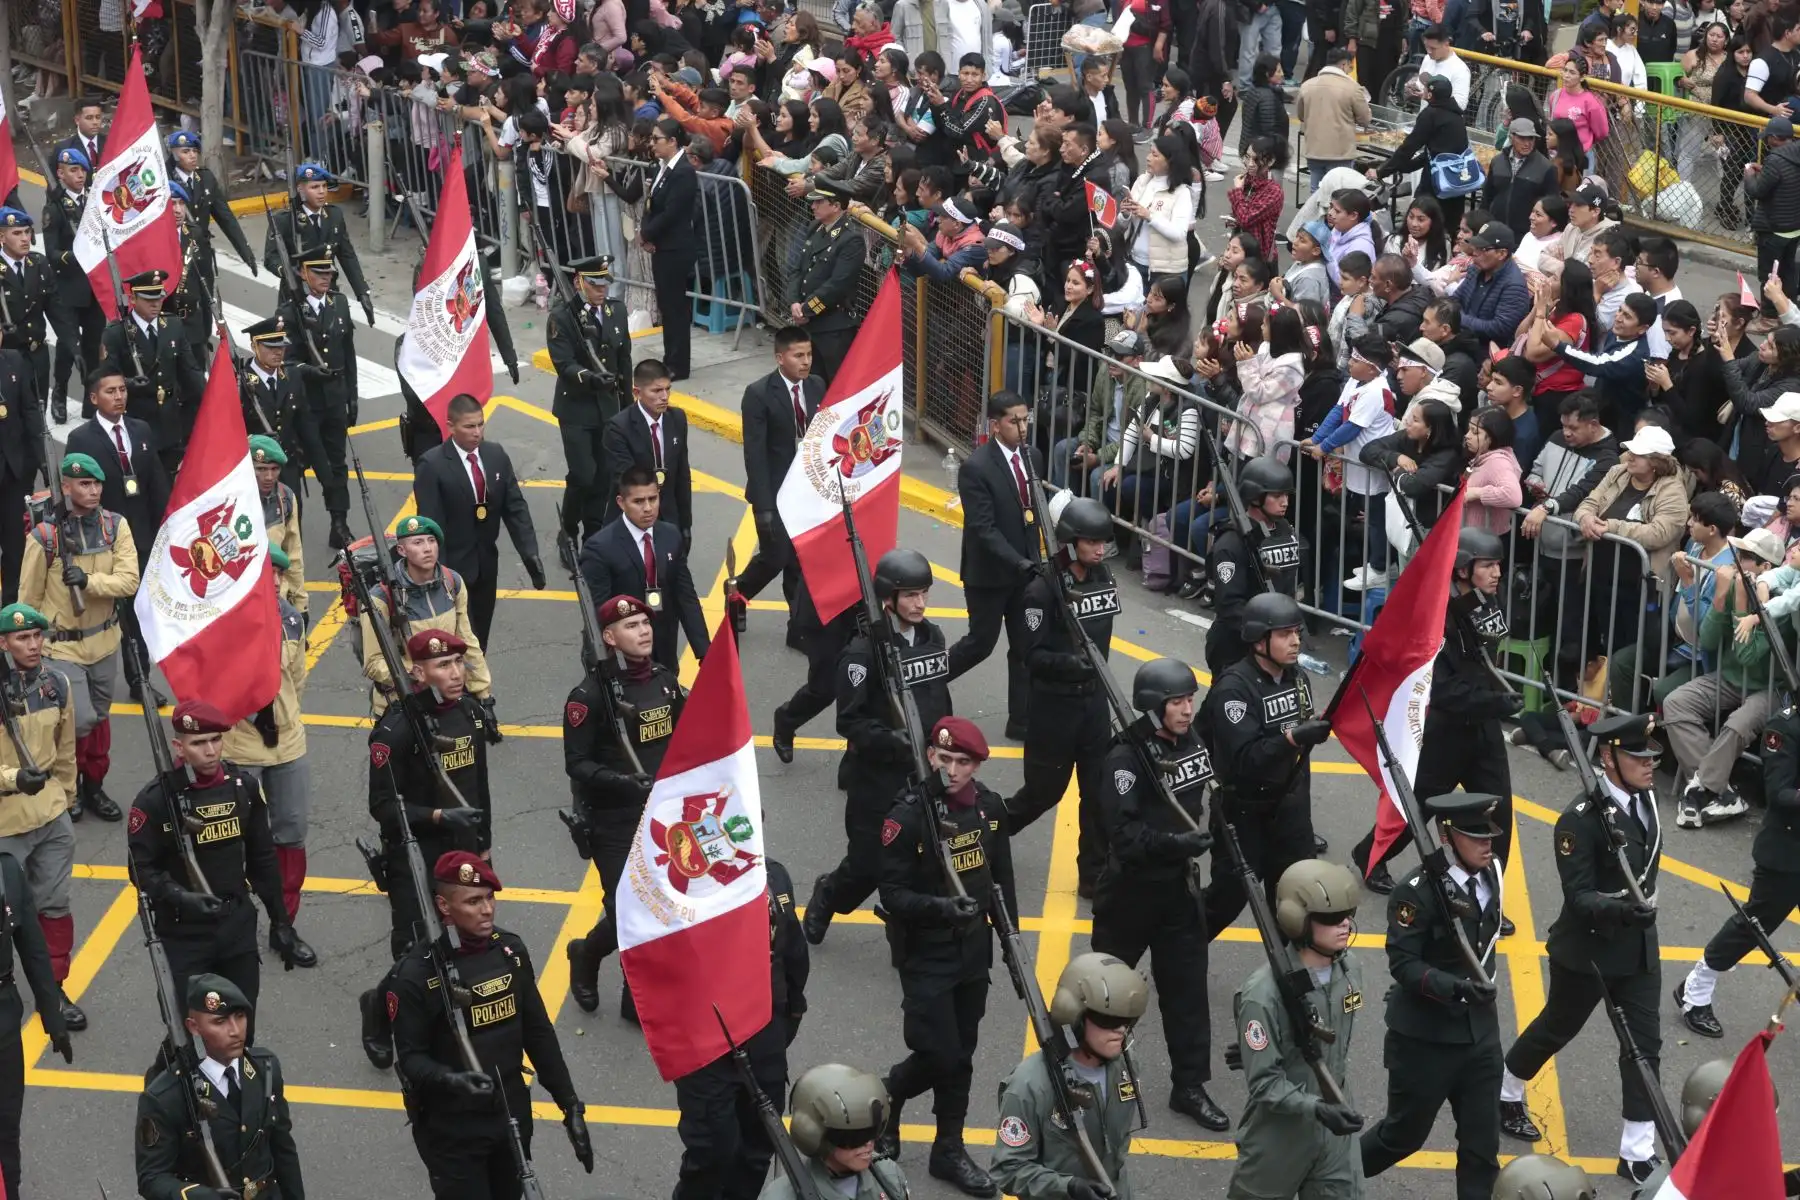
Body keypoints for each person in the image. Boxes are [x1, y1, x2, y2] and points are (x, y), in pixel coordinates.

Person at [1501, 714, 1667, 1186]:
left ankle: (1636, 1151)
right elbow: (1578, 896)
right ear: (1607, 758)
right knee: (1557, 1028)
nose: (1650, 764)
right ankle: (1507, 1088)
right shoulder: (1578, 821)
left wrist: (1634, 918)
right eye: (1638, 757)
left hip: (1638, 949)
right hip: (1589, 950)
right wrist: (1620, 911)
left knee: (1644, 1047)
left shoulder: (1647, 799)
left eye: (1651, 756)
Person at [388, 851, 592, 1198]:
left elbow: (538, 1031)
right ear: (444, 906)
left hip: (510, 1112)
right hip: (452, 1127)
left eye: (489, 898)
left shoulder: (509, 951)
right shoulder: (415, 976)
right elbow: (410, 1058)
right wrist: (450, 1079)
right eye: (473, 901)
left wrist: (569, 1103)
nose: (487, 909)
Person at [874, 715, 1013, 1196]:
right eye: (945, 758)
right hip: (926, 952)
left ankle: (948, 1148)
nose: (952, 770)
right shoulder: (909, 814)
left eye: (963, 762)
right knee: (941, 1053)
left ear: (976, 765)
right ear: (930, 755)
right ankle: (891, 1092)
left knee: (963, 1054)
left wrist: (1010, 938)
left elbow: (1001, 879)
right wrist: (939, 908)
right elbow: (891, 892)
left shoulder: (990, 810)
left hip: (974, 951)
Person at [1094, 658, 1228, 1131]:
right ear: (1154, 707)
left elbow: (1207, 795)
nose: (1188, 709)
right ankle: (1086, 1077)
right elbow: (1124, 836)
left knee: (1187, 993)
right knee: (1105, 994)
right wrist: (1174, 844)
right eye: (1177, 702)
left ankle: (1189, 1085)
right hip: (1130, 894)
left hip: (1177, 891)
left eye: (1191, 699)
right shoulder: (1125, 760)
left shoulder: (1190, 742)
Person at [1360, 792, 1506, 1200]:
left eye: (1488, 834)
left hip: (1480, 1037)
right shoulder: (1415, 892)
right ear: (1446, 835)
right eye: (1474, 835)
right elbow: (1403, 964)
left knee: (1482, 1150)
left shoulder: (1492, 870)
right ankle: (1328, 1181)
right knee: (1401, 1137)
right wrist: (1454, 988)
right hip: (1426, 1039)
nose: (1486, 843)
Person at [803, 548, 951, 944]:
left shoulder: (931, 636)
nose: (920, 603)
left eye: (924, 593)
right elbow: (848, 721)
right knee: (868, 862)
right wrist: (895, 740)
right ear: (889, 598)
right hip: (876, 777)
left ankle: (902, 921)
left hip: (924, 770)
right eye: (910, 596)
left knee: (923, 851)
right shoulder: (862, 653)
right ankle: (828, 894)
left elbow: (938, 695)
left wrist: (943, 744)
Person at [128, 699, 314, 1015]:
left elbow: (263, 859)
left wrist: (281, 920)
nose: (211, 750)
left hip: (235, 924)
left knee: (241, 1023)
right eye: (198, 743)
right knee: (186, 1024)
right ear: (179, 747)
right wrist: (181, 897)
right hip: (184, 932)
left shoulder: (243, 787)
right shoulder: (155, 801)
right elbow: (141, 870)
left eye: (216, 740)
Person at [562, 595, 685, 1018]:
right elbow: (576, 764)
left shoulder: (665, 681)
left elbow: (689, 740)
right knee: (628, 909)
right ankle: (590, 958)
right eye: (631, 626)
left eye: (645, 623)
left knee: (660, 904)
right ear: (610, 638)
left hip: (661, 815)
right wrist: (621, 782)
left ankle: (621, 985)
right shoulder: (588, 697)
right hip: (612, 821)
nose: (644, 630)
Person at [671, 851, 810, 1198]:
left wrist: (791, 1011)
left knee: (759, 1143)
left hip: (763, 1030)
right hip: (707, 1036)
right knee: (712, 1150)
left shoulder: (773, 875)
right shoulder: (683, 886)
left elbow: (791, 946)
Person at [1228, 859, 1365, 1200]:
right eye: (1332, 918)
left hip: (1335, 1126)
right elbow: (1264, 1084)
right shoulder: (1263, 994)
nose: (1345, 924)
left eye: (1348, 914)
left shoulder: (1349, 971)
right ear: (1297, 920)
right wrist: (1316, 1108)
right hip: (1280, 1133)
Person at [1201, 593, 1333, 933]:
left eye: (1297, 633)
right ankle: (1181, 949)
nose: (1295, 641)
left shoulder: (1296, 677)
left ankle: (1292, 979)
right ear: (1260, 641)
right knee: (1226, 900)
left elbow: (1300, 722)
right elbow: (1245, 759)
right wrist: (1293, 738)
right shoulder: (1234, 689)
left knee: (1296, 903)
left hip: (1291, 813)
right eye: (1285, 634)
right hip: (1246, 815)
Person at [1675, 684, 1800, 1040]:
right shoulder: (1784, 729)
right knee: (1754, 925)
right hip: (1788, 852)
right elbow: (1779, 794)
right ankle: (1695, 989)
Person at [18, 453, 137, 824]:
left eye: (97, 483)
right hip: (61, 647)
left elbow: (129, 580)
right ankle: (65, 786)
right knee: (77, 719)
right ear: (65, 488)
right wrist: (24, 650)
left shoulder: (115, 526)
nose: (93, 490)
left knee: (99, 719)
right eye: (84, 484)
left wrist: (89, 582)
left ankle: (93, 785)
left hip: (103, 642)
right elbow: (28, 599)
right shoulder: (45, 536)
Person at [1008, 497, 1117, 894]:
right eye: (1091, 542)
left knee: (1099, 793)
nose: (1100, 550)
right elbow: (1030, 655)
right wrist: (1071, 665)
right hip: (1054, 707)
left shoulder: (1103, 577)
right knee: (1042, 793)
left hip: (1094, 703)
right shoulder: (1041, 591)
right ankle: (987, 831)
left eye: (1104, 542)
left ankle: (1093, 873)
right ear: (1070, 543)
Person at [989, 952, 1148, 1199]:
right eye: (1108, 1019)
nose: (1121, 1030)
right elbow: (1008, 1169)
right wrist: (1069, 1187)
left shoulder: (1124, 1064)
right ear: (1074, 1017)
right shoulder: (1028, 1086)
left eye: (1128, 1020)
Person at [0, 601, 86, 1042]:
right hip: (5, 821)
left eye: (37, 637)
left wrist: (66, 797)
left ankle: (53, 990)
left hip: (50, 813)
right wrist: (14, 778)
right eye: (21, 638)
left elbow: (65, 746)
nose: (33, 645)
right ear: (3, 642)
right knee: (4, 916)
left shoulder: (56, 683)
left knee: (54, 908)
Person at [135, 975, 302, 1200]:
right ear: (194, 1027)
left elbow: (282, 1149)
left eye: (240, 1016)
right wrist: (199, 1196)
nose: (235, 1030)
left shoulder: (265, 1067)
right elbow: (152, 1178)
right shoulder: (165, 1096)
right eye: (220, 1022)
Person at [221, 550, 313, 933]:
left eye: (278, 573)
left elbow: (297, 678)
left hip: (287, 744)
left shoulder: (290, 619)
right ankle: (233, 918)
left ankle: (283, 921)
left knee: (290, 832)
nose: (274, 580)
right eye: (265, 572)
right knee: (234, 838)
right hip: (239, 746)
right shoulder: (224, 621)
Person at [1662, 534, 1782, 828]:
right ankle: (1723, 792)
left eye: (1744, 558)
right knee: (1676, 702)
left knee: (1738, 724)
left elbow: (1748, 656)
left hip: (1771, 686)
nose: (1736, 563)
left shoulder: (1780, 601)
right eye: (1737, 554)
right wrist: (1720, 598)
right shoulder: (1733, 586)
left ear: (1765, 567)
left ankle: (1699, 791)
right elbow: (1709, 641)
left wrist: (1741, 601)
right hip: (1729, 678)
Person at [945, 393, 1042, 741]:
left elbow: (1034, 515)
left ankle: (1022, 719)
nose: (1022, 427)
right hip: (990, 574)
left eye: (1025, 419)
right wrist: (1019, 561)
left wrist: (1037, 560)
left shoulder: (1033, 457)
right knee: (980, 643)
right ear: (995, 425)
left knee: (1025, 645)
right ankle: (926, 682)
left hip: (1026, 571)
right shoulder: (977, 467)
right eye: (1014, 421)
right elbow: (983, 529)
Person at [414, 394, 545, 649]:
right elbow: (431, 525)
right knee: (461, 641)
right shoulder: (432, 464)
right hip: (452, 570)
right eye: (469, 426)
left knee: (480, 638)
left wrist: (530, 553)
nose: (477, 432)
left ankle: (475, 686)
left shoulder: (495, 455)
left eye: (480, 424)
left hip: (486, 566)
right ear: (450, 426)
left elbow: (515, 507)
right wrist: (438, 575)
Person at [359, 515, 497, 724]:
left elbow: (467, 642)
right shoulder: (381, 598)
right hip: (403, 704)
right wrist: (418, 676)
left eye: (431, 541)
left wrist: (484, 696)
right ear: (401, 551)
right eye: (418, 542)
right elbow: (373, 663)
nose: (427, 548)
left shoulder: (453, 583)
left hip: (448, 700)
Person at [736, 328, 826, 645]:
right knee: (776, 556)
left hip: (806, 493)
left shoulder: (816, 387)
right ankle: (738, 591)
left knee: (800, 562)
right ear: (780, 358)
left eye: (809, 354)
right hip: (775, 493)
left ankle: (797, 628)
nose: (805, 362)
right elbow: (755, 454)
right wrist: (763, 507)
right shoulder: (759, 394)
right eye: (798, 356)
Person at [578, 466, 710, 672]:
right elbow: (597, 613)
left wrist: (704, 652)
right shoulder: (600, 548)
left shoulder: (671, 535)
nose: (648, 508)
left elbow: (685, 595)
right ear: (621, 503)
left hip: (665, 648)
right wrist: (603, 664)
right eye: (638, 501)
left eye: (653, 499)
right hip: (623, 658)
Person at [276, 253, 359, 550]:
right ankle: (291, 529)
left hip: (335, 400)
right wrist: (312, 372)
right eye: (319, 273)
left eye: (330, 274)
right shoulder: (289, 313)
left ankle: (340, 524)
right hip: (304, 405)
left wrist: (352, 395)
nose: (327, 278)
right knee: (296, 468)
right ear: (302, 273)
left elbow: (347, 351)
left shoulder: (340, 304)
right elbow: (285, 362)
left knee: (337, 464)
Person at [549, 256, 632, 548]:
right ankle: (568, 532)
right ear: (578, 283)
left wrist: (628, 403)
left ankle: (593, 535)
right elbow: (564, 364)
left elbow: (624, 359)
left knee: (605, 476)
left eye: (604, 285)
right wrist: (591, 378)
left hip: (609, 407)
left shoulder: (616, 312)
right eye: (594, 285)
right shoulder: (563, 317)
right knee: (584, 475)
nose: (601, 291)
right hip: (577, 409)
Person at [98, 268, 206, 479]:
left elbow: (190, 371)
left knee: (168, 482)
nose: (156, 304)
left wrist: (210, 398)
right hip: (137, 420)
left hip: (170, 422)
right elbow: (105, 380)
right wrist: (128, 383)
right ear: (133, 298)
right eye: (149, 299)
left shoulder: (173, 326)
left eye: (159, 298)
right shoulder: (116, 334)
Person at [1202, 457, 1302, 675]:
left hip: (1275, 645)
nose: (1285, 502)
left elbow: (1286, 584)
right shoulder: (1230, 543)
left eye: (1286, 495)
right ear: (1256, 497)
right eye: (1277, 496)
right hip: (1237, 647)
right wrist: (1266, 632)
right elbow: (1229, 606)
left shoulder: (1284, 530)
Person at [763, 1064, 909, 1199]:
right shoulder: (782, 1196)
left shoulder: (889, 1176)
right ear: (813, 1135)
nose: (867, 1144)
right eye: (854, 1137)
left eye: (871, 1132)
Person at [263, 160, 374, 324]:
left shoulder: (334, 216)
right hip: (296, 295)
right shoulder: (285, 220)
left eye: (324, 186)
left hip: (328, 294)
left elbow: (347, 256)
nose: (321, 192)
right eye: (314, 187)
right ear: (300, 189)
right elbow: (270, 257)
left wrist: (362, 292)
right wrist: (288, 272)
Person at [40, 148, 104, 424]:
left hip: (94, 289)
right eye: (74, 170)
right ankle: (60, 394)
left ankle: (92, 399)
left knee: (92, 346)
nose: (80, 175)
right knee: (68, 347)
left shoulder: (94, 202)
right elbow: (51, 252)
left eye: (83, 170)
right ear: (60, 173)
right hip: (68, 288)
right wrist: (75, 256)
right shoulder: (54, 208)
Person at [0, 207, 72, 445]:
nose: (25, 238)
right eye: (17, 233)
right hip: (8, 359)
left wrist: (74, 344)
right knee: (11, 425)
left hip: (37, 356)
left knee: (37, 424)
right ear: (2, 237)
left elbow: (57, 309)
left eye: (28, 232)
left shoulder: (38, 263)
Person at [605, 358, 694, 548]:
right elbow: (625, 481)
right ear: (637, 392)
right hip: (634, 519)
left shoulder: (677, 418)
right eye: (656, 391)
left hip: (669, 518)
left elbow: (682, 475)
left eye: (667, 389)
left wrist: (686, 524)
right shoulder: (619, 427)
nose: (665, 397)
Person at [789, 178, 865, 384]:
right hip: (809, 323)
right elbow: (797, 268)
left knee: (835, 385)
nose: (812, 206)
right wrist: (794, 301)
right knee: (810, 384)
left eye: (818, 202)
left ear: (836, 206)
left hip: (833, 327)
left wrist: (806, 310)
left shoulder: (851, 239)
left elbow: (837, 286)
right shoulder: (815, 227)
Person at [640, 118, 698, 380]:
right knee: (666, 304)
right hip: (662, 244)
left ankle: (678, 363)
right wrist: (646, 232)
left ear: (673, 141)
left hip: (676, 247)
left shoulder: (684, 172)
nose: (652, 144)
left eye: (657, 139)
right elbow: (652, 204)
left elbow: (673, 211)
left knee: (675, 307)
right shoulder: (662, 168)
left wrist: (649, 233)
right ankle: (669, 357)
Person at [1745, 116, 1800, 314]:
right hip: (1794, 228)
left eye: (1768, 137)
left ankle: (1768, 315)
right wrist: (1766, 171)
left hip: (1774, 229)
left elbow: (1758, 191)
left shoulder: (1775, 160)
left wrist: (1750, 176)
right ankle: (1789, 309)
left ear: (1775, 138)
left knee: (1769, 275)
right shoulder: (1795, 154)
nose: (1766, 141)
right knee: (1788, 271)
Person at [1295, 49, 1370, 192]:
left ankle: (1317, 214)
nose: (1350, 71)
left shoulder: (1307, 86)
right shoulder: (1352, 88)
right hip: (1340, 153)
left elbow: (1301, 115)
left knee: (1316, 192)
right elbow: (1365, 119)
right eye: (1350, 67)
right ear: (1344, 64)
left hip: (1314, 150)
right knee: (1338, 195)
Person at [1484, 119, 1557, 240]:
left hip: (1526, 236)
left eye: (1531, 138)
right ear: (1511, 137)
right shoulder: (1497, 162)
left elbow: (1552, 206)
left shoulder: (1546, 168)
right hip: (1495, 232)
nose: (1527, 143)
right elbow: (1487, 197)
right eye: (1522, 138)